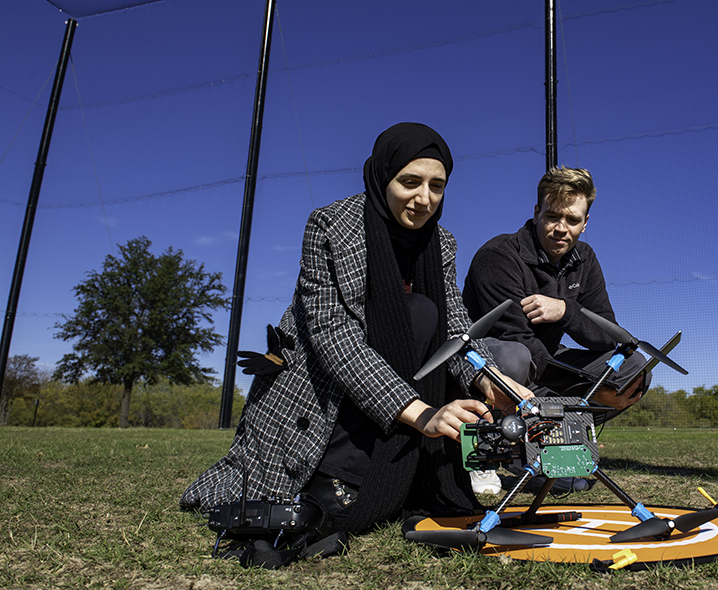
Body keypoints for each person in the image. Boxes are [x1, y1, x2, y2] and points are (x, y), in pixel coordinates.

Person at [181, 123, 530, 539]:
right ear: (383, 177)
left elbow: (456, 326)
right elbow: (334, 336)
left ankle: (398, 474)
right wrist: (423, 413)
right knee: (417, 313)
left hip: (397, 385)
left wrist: (493, 382)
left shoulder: (443, 243)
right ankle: (334, 473)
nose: (425, 199)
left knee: (429, 318)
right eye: (410, 182)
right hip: (320, 389)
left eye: (437, 186)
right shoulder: (331, 227)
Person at [461, 167, 649, 493]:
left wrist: (564, 311)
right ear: (536, 213)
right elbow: (514, 337)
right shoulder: (498, 256)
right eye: (552, 216)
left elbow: (608, 334)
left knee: (631, 370)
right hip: (487, 360)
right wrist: (574, 393)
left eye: (573, 220)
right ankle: (485, 453)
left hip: (546, 360)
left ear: (586, 222)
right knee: (514, 358)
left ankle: (537, 454)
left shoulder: (585, 259)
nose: (561, 229)